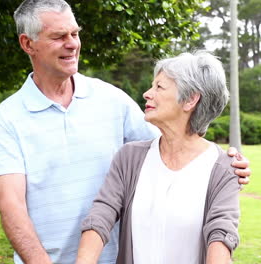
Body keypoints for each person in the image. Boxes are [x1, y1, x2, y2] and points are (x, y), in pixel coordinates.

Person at [0, 1, 250, 264]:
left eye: (75, 34)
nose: (72, 44)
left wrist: (225, 163)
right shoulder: (10, 118)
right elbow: (11, 206)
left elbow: (174, 141)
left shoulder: (112, 99)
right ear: (27, 43)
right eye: (58, 36)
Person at [75, 51, 239, 264]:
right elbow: (101, 215)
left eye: (159, 87)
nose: (147, 93)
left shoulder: (223, 168)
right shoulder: (130, 157)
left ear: (190, 99)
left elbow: (221, 233)